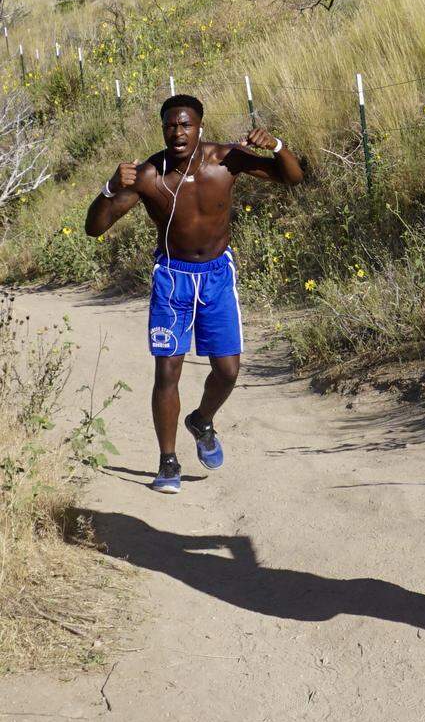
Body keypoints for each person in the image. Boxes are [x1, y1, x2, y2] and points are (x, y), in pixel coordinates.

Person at [85, 94, 303, 493]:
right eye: (171, 125)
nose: (178, 132)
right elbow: (95, 227)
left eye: (185, 124)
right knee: (167, 371)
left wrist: (276, 146)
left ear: (200, 126)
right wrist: (109, 187)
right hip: (173, 279)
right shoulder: (151, 175)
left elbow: (292, 177)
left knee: (228, 370)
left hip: (218, 275)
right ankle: (168, 462)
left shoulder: (227, 159)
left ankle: (202, 420)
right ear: (163, 129)